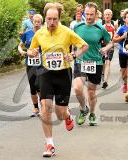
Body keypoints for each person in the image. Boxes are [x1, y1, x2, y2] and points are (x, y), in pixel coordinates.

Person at [28, 2, 88, 157]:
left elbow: (84, 46)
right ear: (45, 18)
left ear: (59, 18)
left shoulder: (67, 32)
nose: (52, 22)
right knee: (45, 107)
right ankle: (49, 144)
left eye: (55, 19)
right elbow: (31, 49)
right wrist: (31, 52)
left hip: (63, 74)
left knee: (60, 113)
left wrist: (73, 55)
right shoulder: (39, 33)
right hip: (46, 73)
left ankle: (67, 115)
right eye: (49, 19)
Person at [73, 2, 111, 126]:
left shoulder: (101, 28)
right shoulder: (77, 27)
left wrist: (106, 49)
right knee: (78, 88)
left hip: (96, 62)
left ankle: (93, 113)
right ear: (84, 13)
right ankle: (84, 109)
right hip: (80, 61)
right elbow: (71, 41)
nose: (89, 17)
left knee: (91, 92)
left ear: (96, 14)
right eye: (87, 14)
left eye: (91, 14)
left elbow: (110, 42)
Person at [18, 14, 43, 117]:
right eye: (35, 21)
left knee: (40, 86)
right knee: (33, 87)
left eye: (38, 21)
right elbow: (20, 45)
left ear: (41, 22)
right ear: (32, 21)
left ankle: (43, 107)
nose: (36, 23)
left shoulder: (44, 33)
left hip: (42, 64)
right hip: (30, 64)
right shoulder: (27, 33)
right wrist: (22, 52)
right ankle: (35, 108)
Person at [113, 9, 128, 102]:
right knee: (123, 72)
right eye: (127, 17)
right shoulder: (121, 28)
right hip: (122, 53)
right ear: (124, 19)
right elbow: (114, 39)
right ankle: (125, 84)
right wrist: (122, 37)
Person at [101, 9, 116, 89]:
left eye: (108, 14)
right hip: (102, 47)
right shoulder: (100, 25)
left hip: (110, 46)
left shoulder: (114, 25)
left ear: (111, 16)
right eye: (106, 14)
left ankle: (105, 81)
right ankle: (103, 75)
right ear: (104, 16)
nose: (107, 16)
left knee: (108, 62)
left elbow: (116, 36)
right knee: (103, 63)